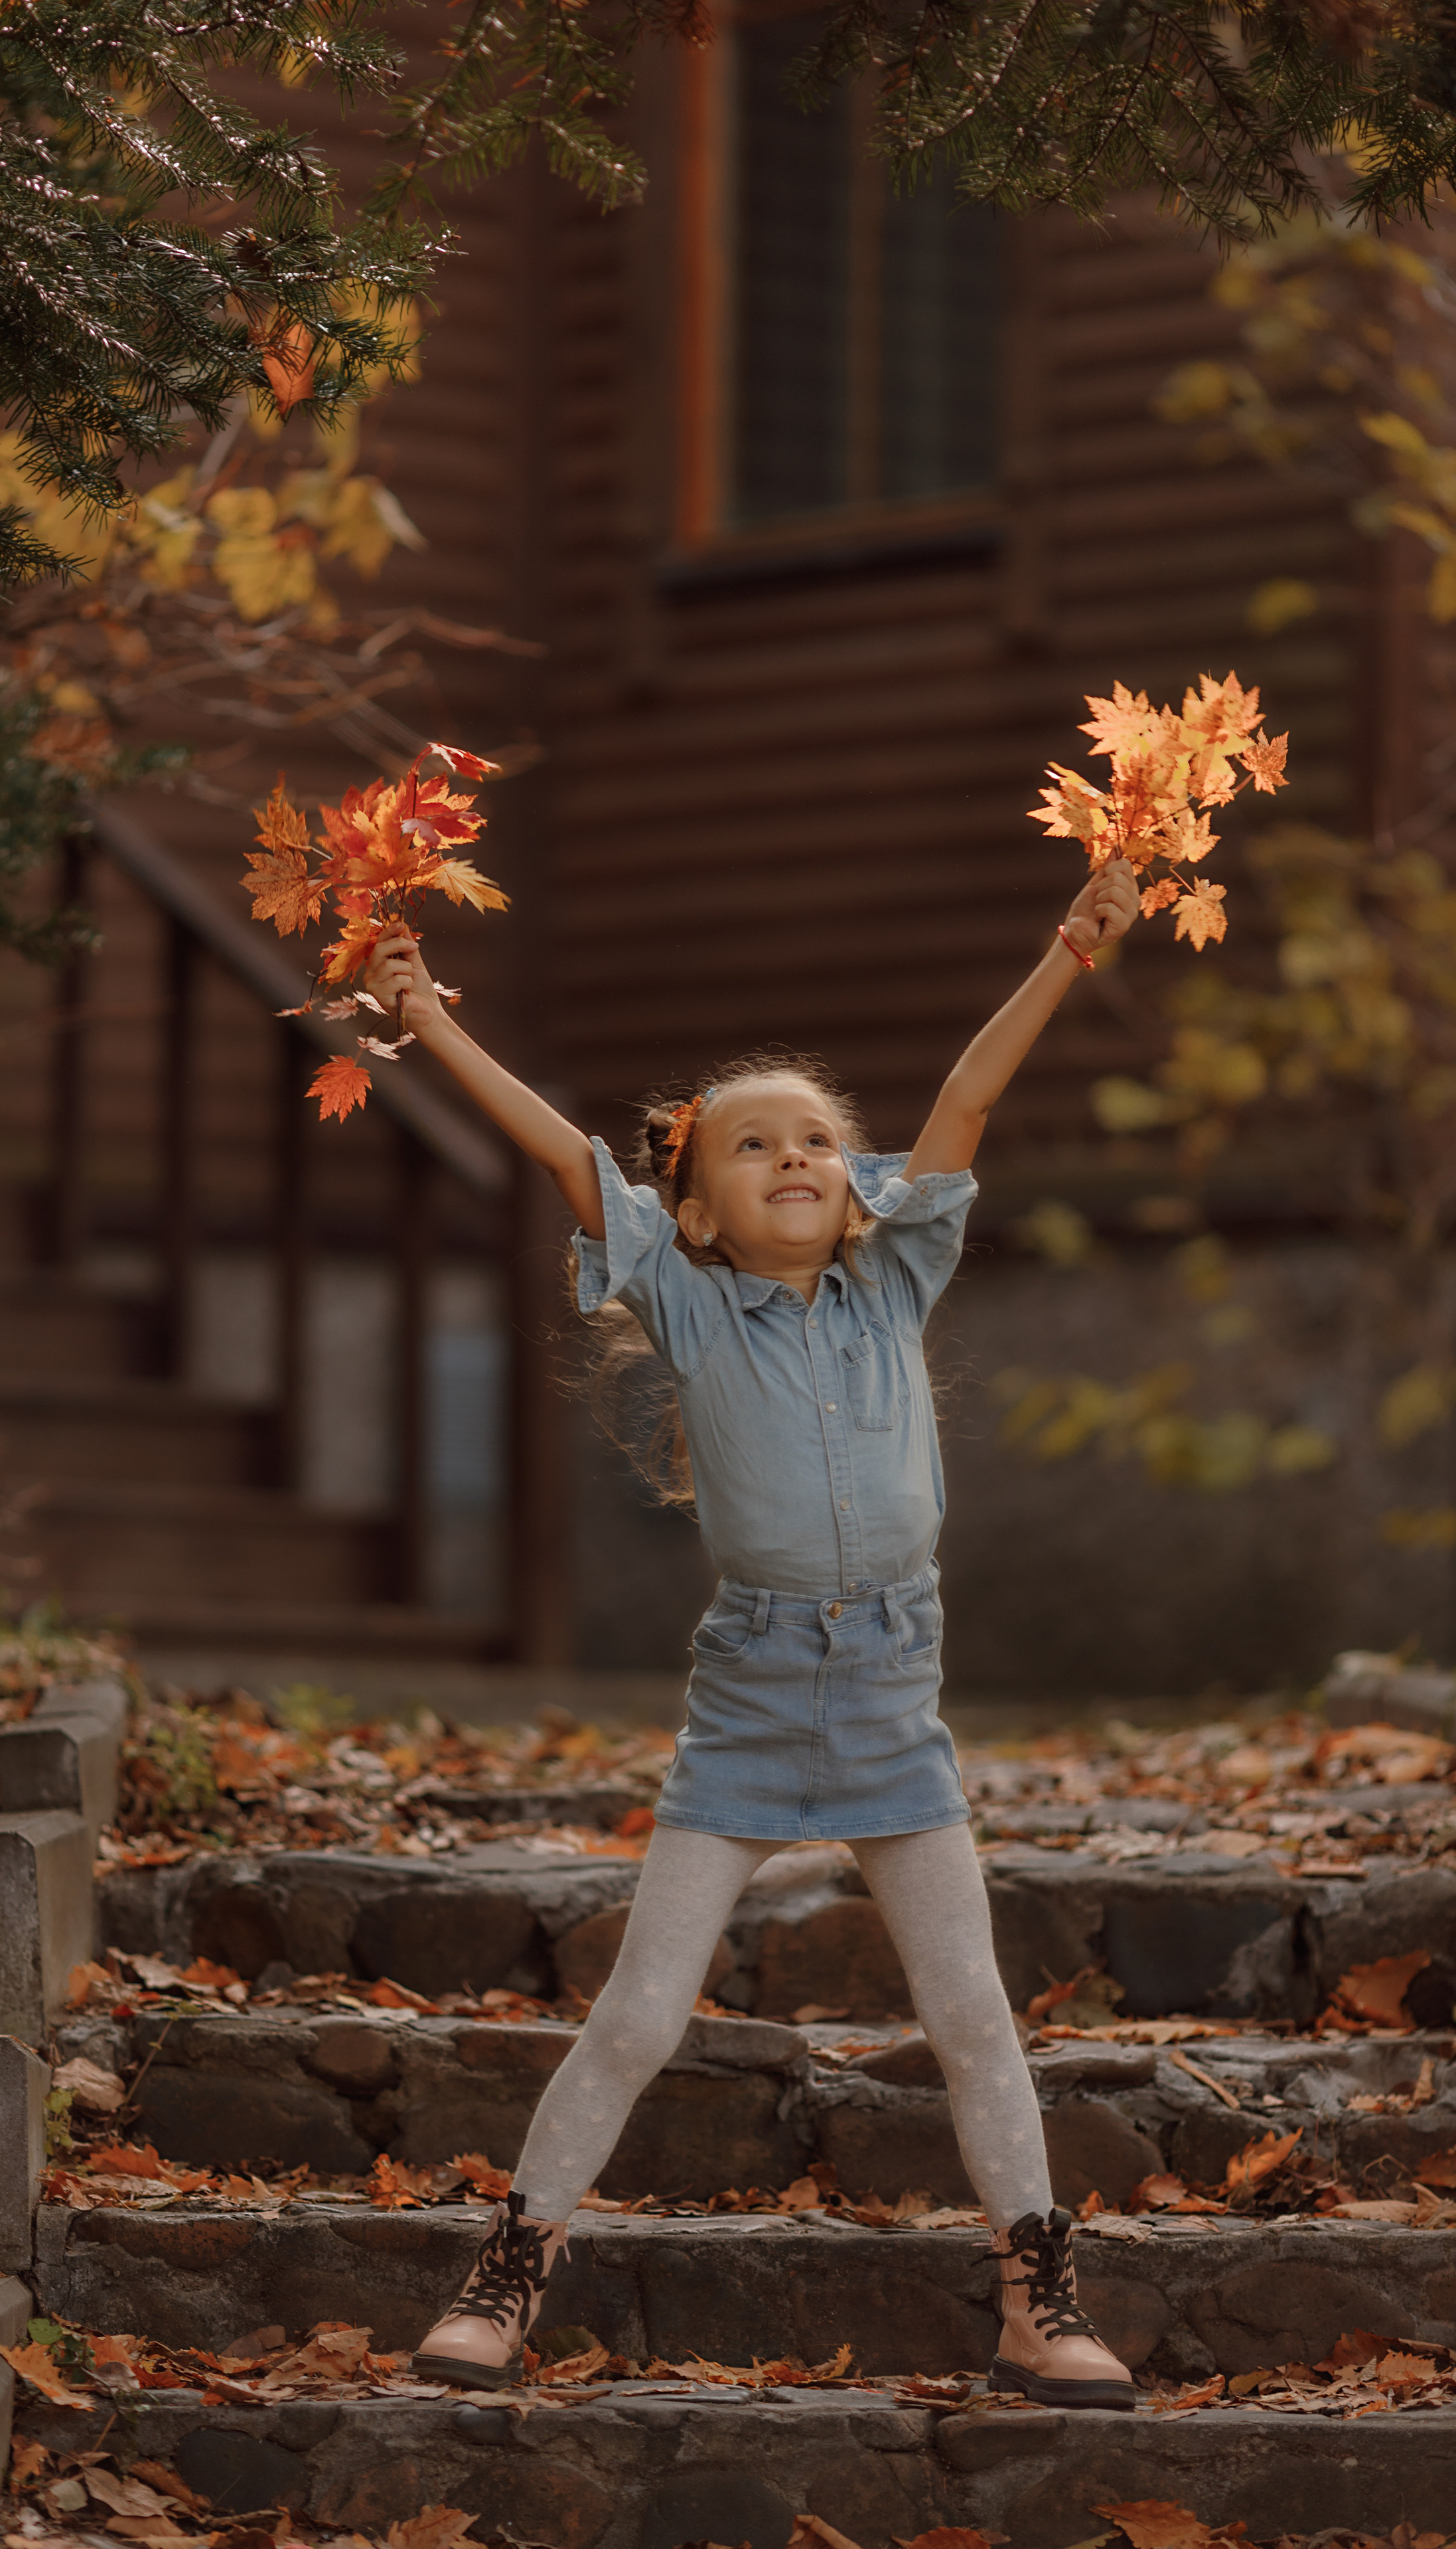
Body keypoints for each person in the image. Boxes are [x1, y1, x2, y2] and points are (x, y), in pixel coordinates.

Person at [360, 855, 1142, 2411]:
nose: (794, 1156)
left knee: (973, 2013)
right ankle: (506, 2271)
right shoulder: (692, 1303)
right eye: (750, 1145)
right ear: (695, 1209)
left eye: (817, 1142)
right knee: (645, 2011)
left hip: (891, 1697)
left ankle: (1036, 2297)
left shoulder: (891, 1284)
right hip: (754, 1696)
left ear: (858, 1189)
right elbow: (566, 1157)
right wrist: (429, 1025)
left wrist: (1067, 950)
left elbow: (968, 1101)